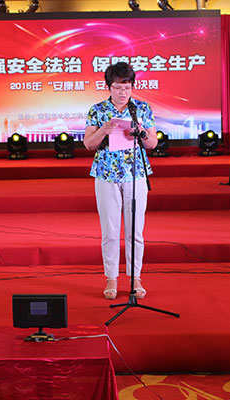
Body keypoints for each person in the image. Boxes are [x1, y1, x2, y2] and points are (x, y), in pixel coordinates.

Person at [83, 62, 158, 300]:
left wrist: (142, 132)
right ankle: (111, 278)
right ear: (109, 87)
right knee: (110, 229)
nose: (123, 92)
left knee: (135, 230)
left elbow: (153, 143)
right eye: (117, 87)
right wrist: (103, 130)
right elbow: (88, 144)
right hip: (106, 173)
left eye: (127, 87)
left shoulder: (142, 109)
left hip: (135, 173)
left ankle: (135, 277)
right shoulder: (98, 110)